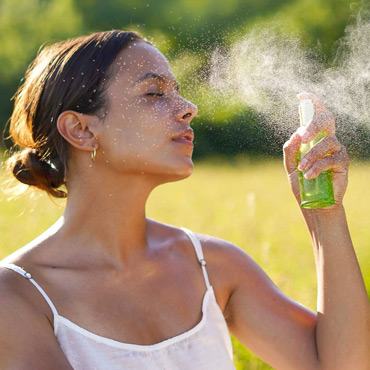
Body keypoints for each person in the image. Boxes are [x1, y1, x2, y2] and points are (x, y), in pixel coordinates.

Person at [0, 30, 368, 370]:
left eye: (178, 91)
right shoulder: (16, 296)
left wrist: (325, 214)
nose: (188, 107)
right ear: (81, 130)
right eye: (155, 93)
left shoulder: (214, 266)